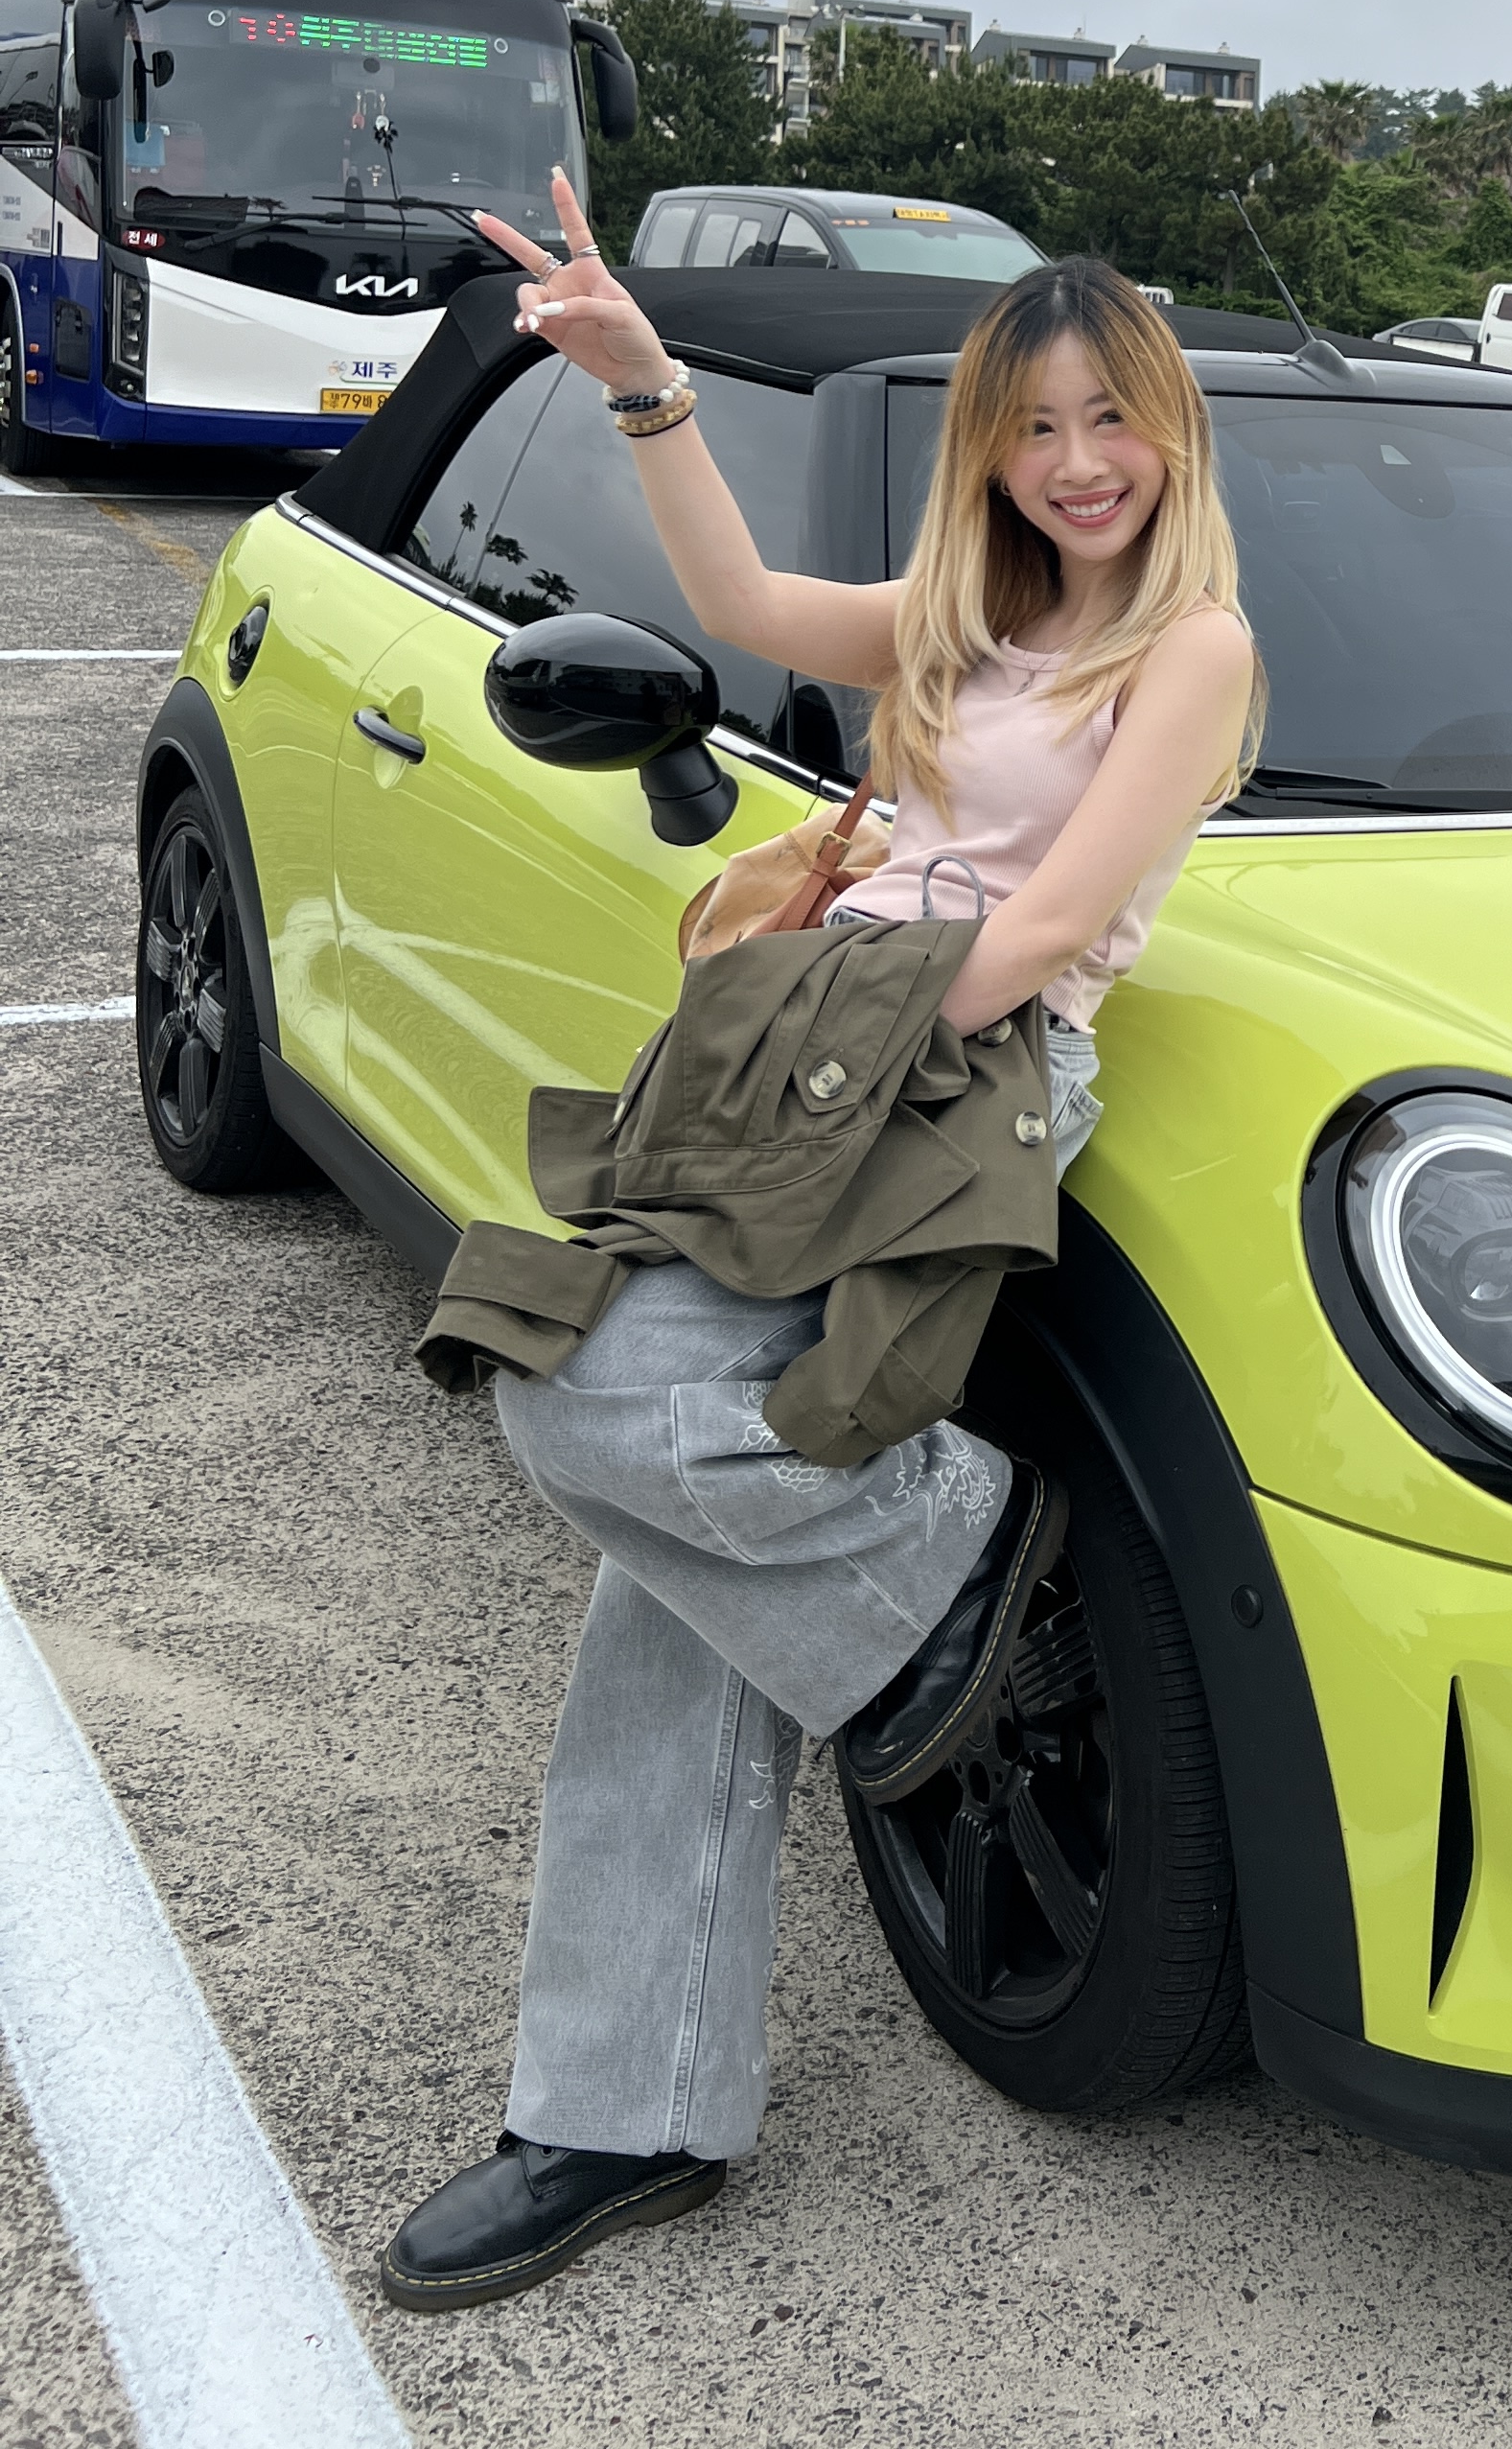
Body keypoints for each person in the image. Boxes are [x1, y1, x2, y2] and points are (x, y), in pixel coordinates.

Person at [380, 182, 1258, 2312]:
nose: (1077, 461)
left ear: (1168, 428)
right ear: (990, 448)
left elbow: (1058, 926)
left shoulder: (1193, 650)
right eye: (1034, 426)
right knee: (659, 1567)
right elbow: (750, 600)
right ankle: (627, 2112)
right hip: (827, 1040)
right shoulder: (968, 620)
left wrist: (833, 1044)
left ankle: (964, 1561)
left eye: (1110, 417)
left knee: (584, 1394)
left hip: (952, 1069)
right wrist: (645, 387)